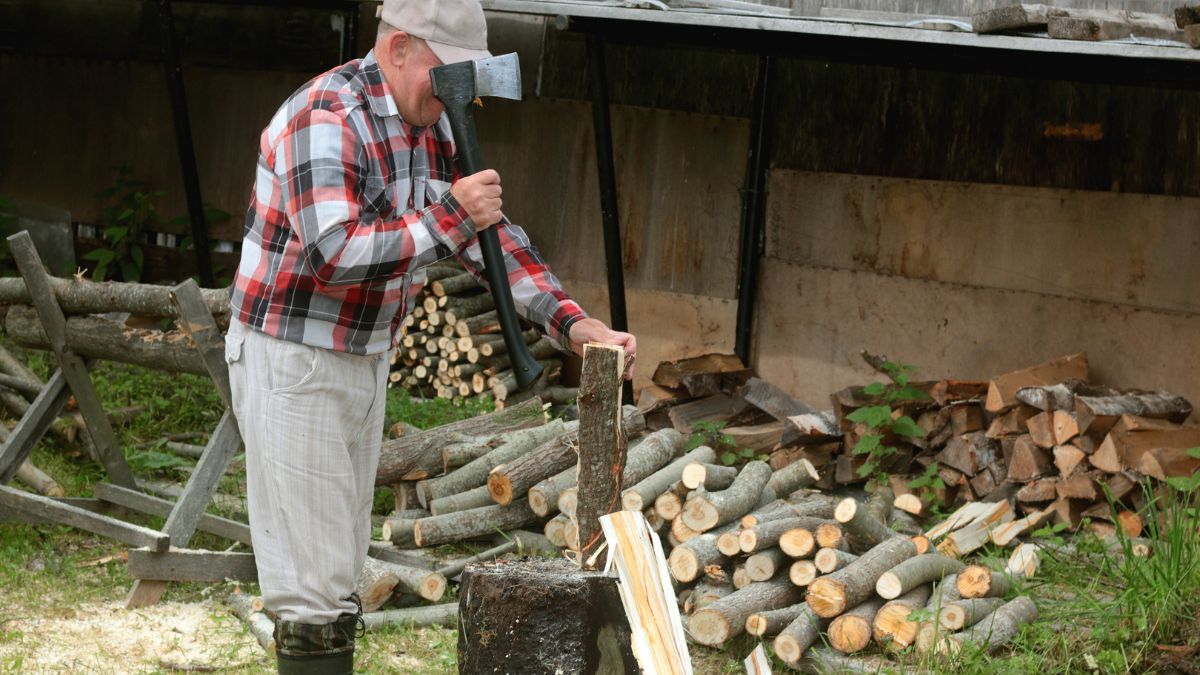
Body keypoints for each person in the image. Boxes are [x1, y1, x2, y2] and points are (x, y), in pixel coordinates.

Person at [224, 0, 636, 671]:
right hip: (292, 355)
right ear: (399, 50)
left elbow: (488, 240)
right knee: (310, 581)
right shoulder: (326, 116)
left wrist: (572, 320)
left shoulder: (427, 123)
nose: (457, 95)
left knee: (339, 565)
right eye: (447, 76)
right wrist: (451, 215)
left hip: (360, 355)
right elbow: (334, 251)